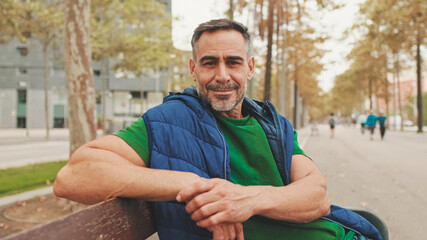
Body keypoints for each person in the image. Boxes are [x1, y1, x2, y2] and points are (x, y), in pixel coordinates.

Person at [53, 19, 381, 240]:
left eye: (233, 62)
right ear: (194, 69)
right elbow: (74, 176)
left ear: (249, 67)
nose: (222, 75)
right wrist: (194, 185)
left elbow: (317, 197)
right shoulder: (168, 121)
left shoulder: (274, 125)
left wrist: (247, 199)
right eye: (210, 63)